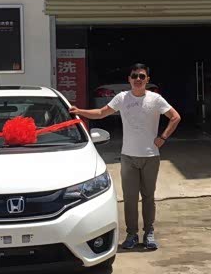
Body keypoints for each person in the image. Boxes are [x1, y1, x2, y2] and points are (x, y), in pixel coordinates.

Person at [70, 63, 180, 251]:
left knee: (148, 197)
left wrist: (163, 137)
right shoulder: (122, 98)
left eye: (142, 76)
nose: (138, 79)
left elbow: (175, 117)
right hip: (128, 156)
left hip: (150, 156)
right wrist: (79, 112)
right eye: (134, 76)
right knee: (130, 198)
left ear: (147, 80)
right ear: (129, 79)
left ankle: (149, 233)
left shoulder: (155, 99)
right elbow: (101, 113)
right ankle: (131, 234)